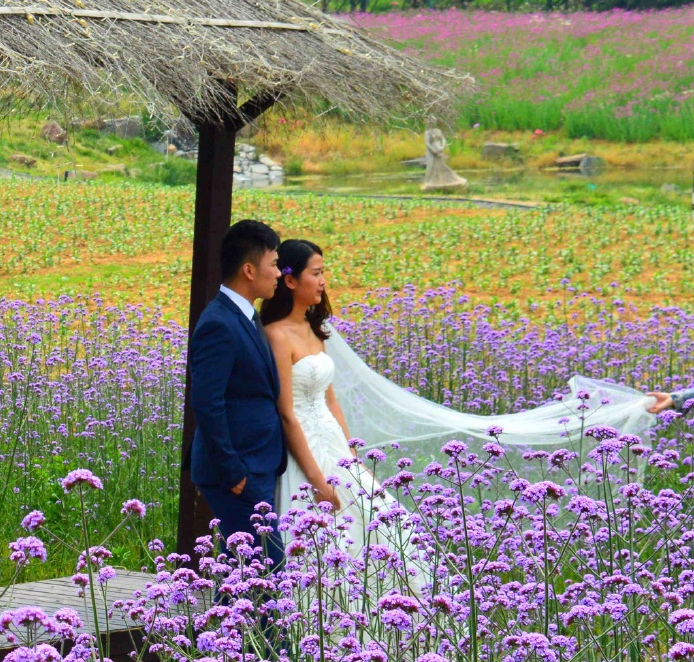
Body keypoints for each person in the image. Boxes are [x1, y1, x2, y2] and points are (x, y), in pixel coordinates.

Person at [262, 238, 682, 590]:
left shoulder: (317, 330)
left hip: (334, 447)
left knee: (382, 532)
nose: (323, 281)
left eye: (323, 272)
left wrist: (351, 456)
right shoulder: (277, 335)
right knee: (323, 541)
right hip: (307, 452)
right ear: (291, 279)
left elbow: (330, 401)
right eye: (316, 273)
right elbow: (288, 415)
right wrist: (318, 481)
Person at [188, 219, 288, 569]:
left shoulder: (247, 317)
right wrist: (235, 474)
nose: (278, 273)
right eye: (274, 264)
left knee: (244, 575)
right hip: (235, 473)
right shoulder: (219, 322)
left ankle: (216, 625)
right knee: (267, 568)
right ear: (249, 269)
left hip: (258, 466)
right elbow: (207, 402)